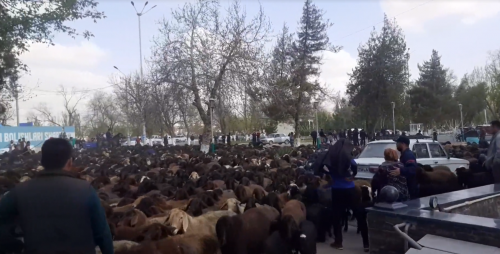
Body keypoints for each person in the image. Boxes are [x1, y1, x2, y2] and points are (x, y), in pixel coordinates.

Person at [0, 138, 113, 254]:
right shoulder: (85, 190)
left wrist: (15, 246)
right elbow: (103, 234)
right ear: (70, 162)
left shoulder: (20, 191)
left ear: (42, 162)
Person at [321, 139, 369, 251]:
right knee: (359, 216)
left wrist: (330, 174)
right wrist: (353, 176)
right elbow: (354, 166)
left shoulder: (331, 157)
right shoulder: (347, 157)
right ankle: (366, 243)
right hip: (351, 189)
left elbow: (323, 167)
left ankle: (339, 242)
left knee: (336, 217)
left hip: (337, 190)